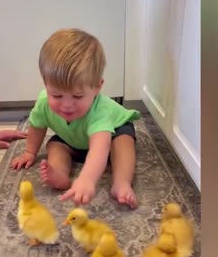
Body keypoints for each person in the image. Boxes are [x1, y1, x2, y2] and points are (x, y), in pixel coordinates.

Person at [9, 28, 140, 208]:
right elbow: (37, 126)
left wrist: (87, 179)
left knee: (124, 142)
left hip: (112, 134)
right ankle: (61, 174)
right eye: (56, 95)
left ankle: (121, 182)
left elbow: (100, 149)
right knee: (55, 145)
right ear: (45, 84)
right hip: (74, 138)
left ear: (97, 87)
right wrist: (30, 152)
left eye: (77, 96)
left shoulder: (99, 111)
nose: (67, 105)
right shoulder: (43, 102)